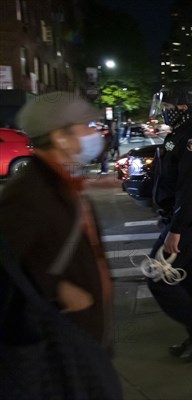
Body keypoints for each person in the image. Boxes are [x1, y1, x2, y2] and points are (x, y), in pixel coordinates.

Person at [0, 91, 115, 350]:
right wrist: (59, 290)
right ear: (61, 138)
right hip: (61, 339)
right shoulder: (27, 190)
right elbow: (6, 264)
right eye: (85, 127)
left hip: (86, 329)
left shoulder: (61, 180)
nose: (93, 133)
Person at [147, 81, 192, 361]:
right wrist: (165, 216)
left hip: (189, 220)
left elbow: (190, 188)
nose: (165, 111)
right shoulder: (178, 135)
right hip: (181, 218)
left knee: (158, 278)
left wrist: (175, 229)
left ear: (183, 107)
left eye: (168, 107)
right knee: (188, 278)